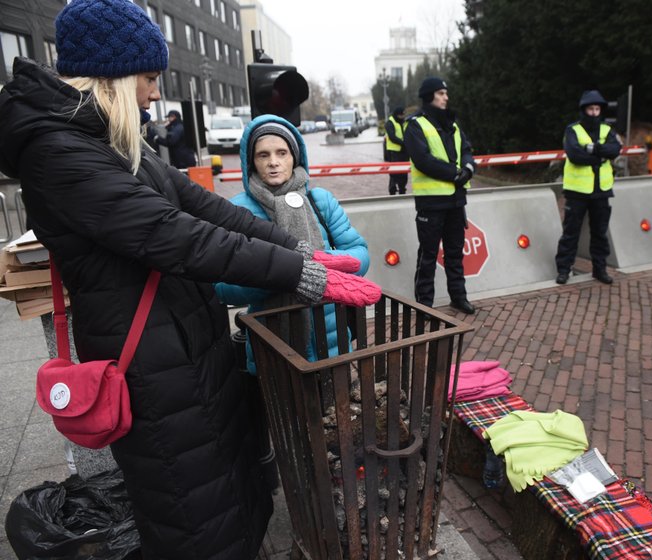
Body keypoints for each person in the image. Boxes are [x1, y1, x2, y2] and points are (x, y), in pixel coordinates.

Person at [0, 1, 379, 559]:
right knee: (195, 513)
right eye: (150, 78)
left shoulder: (116, 142)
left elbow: (206, 209)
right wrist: (303, 274)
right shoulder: (59, 152)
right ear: (116, 74)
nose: (155, 94)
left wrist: (300, 249)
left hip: (186, 348)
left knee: (232, 489)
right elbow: (176, 235)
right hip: (153, 367)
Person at [216, 115, 371, 366]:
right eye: (263, 155)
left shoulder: (320, 200)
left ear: (295, 157)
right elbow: (222, 286)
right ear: (251, 162)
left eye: (282, 153)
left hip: (332, 341)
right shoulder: (236, 211)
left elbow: (360, 255)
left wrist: (313, 265)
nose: (273, 163)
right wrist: (280, 274)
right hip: (271, 348)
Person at [404, 77, 477, 314]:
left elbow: (466, 150)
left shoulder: (453, 125)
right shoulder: (415, 125)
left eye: (446, 93)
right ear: (429, 96)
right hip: (431, 204)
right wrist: (455, 174)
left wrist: (467, 169)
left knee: (455, 254)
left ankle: (459, 297)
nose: (446, 97)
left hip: (455, 202)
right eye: (441, 93)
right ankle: (424, 305)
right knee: (428, 256)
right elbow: (423, 160)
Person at [554, 90, 622, 285]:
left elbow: (615, 150)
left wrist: (593, 149)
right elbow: (575, 155)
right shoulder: (572, 130)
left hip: (601, 191)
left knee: (600, 233)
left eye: (597, 109)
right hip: (577, 192)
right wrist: (601, 155)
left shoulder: (607, 129)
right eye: (591, 109)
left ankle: (599, 270)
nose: (594, 112)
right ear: (584, 110)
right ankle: (564, 270)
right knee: (570, 232)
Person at [384, 106, 409, 195]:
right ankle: (392, 188)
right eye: (401, 115)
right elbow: (392, 136)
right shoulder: (390, 123)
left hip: (404, 152)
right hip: (393, 152)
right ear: (397, 114)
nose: (402, 117)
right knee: (394, 172)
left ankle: (402, 188)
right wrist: (403, 143)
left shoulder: (404, 122)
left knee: (404, 171)